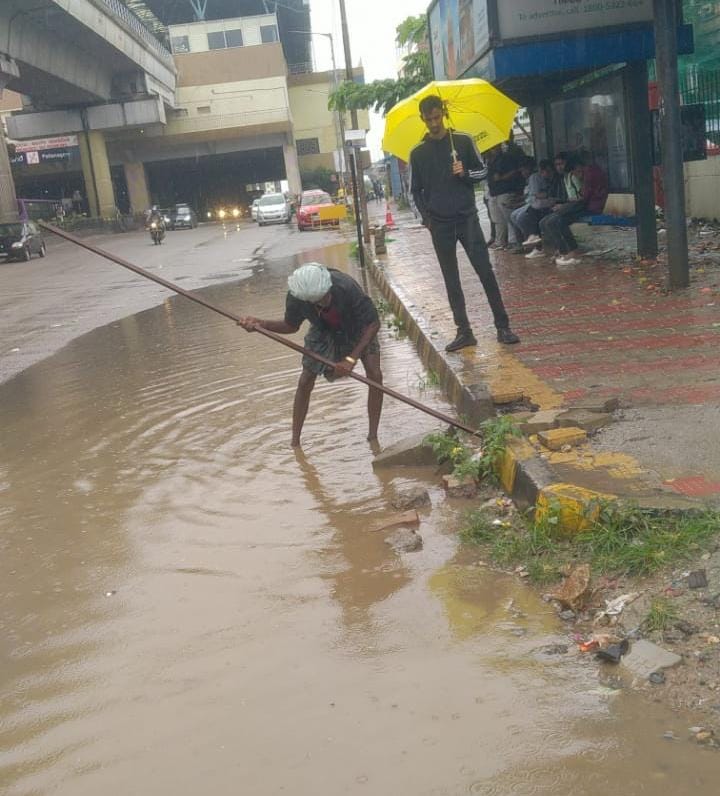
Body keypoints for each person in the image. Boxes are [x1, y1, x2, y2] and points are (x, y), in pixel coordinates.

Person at [410, 95, 520, 352]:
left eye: (437, 117)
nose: (434, 124)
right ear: (422, 120)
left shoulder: (462, 141)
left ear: (444, 114)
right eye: (429, 120)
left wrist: (465, 173)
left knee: (485, 271)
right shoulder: (417, 153)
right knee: (451, 278)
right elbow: (414, 191)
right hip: (440, 224)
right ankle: (464, 331)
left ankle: (502, 326)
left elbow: (483, 172)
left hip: (468, 218)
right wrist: (427, 219)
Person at [238, 263, 383, 448]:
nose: (323, 303)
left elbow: (373, 324)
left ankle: (373, 437)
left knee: (375, 375)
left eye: (325, 298)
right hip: (323, 329)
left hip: (358, 326)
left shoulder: (346, 286)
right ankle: (295, 443)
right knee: (305, 380)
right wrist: (262, 324)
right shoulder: (296, 296)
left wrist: (351, 359)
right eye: (316, 301)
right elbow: (291, 326)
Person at [538, 152, 608, 266]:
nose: (576, 175)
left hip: (591, 206)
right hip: (586, 204)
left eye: (575, 172)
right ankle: (566, 250)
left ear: (578, 167)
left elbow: (584, 197)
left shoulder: (590, 172)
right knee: (550, 221)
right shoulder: (587, 172)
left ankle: (570, 251)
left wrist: (565, 207)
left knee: (555, 220)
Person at [486, 143, 526, 249]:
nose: (493, 149)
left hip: (505, 190)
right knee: (497, 219)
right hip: (494, 192)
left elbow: (515, 171)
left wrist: (502, 177)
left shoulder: (507, 157)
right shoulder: (490, 160)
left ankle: (514, 241)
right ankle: (500, 241)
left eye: (495, 147)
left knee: (509, 217)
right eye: (492, 147)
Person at [509, 159, 556, 249]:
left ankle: (534, 244)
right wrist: (518, 202)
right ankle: (525, 243)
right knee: (514, 215)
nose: (522, 173)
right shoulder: (530, 179)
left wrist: (542, 195)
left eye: (524, 170)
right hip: (535, 204)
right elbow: (531, 197)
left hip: (543, 204)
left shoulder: (534, 177)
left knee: (521, 217)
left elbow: (535, 196)